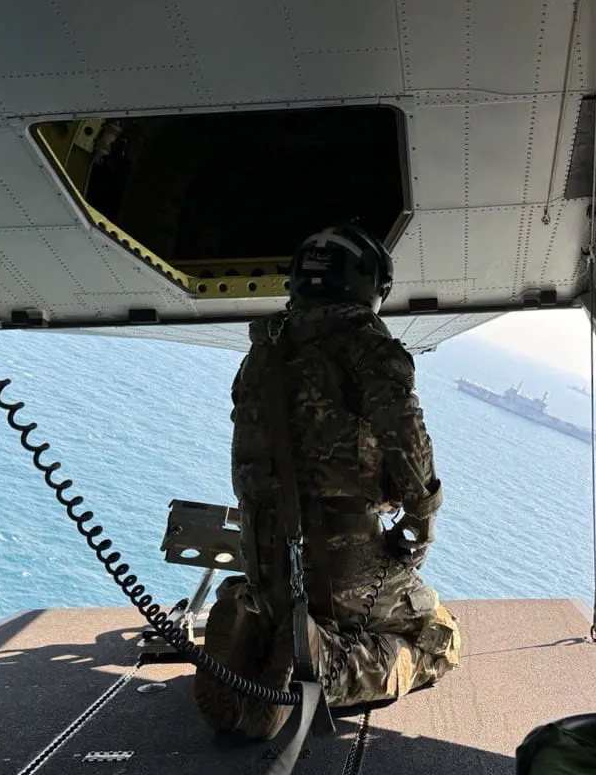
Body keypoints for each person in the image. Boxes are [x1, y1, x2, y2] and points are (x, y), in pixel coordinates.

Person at [194, 224, 461, 739]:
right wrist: (422, 518)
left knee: (295, 609)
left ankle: (255, 629)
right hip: (340, 562)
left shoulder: (263, 350)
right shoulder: (366, 348)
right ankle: (318, 669)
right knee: (439, 637)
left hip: (264, 552)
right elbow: (407, 446)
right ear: (368, 285)